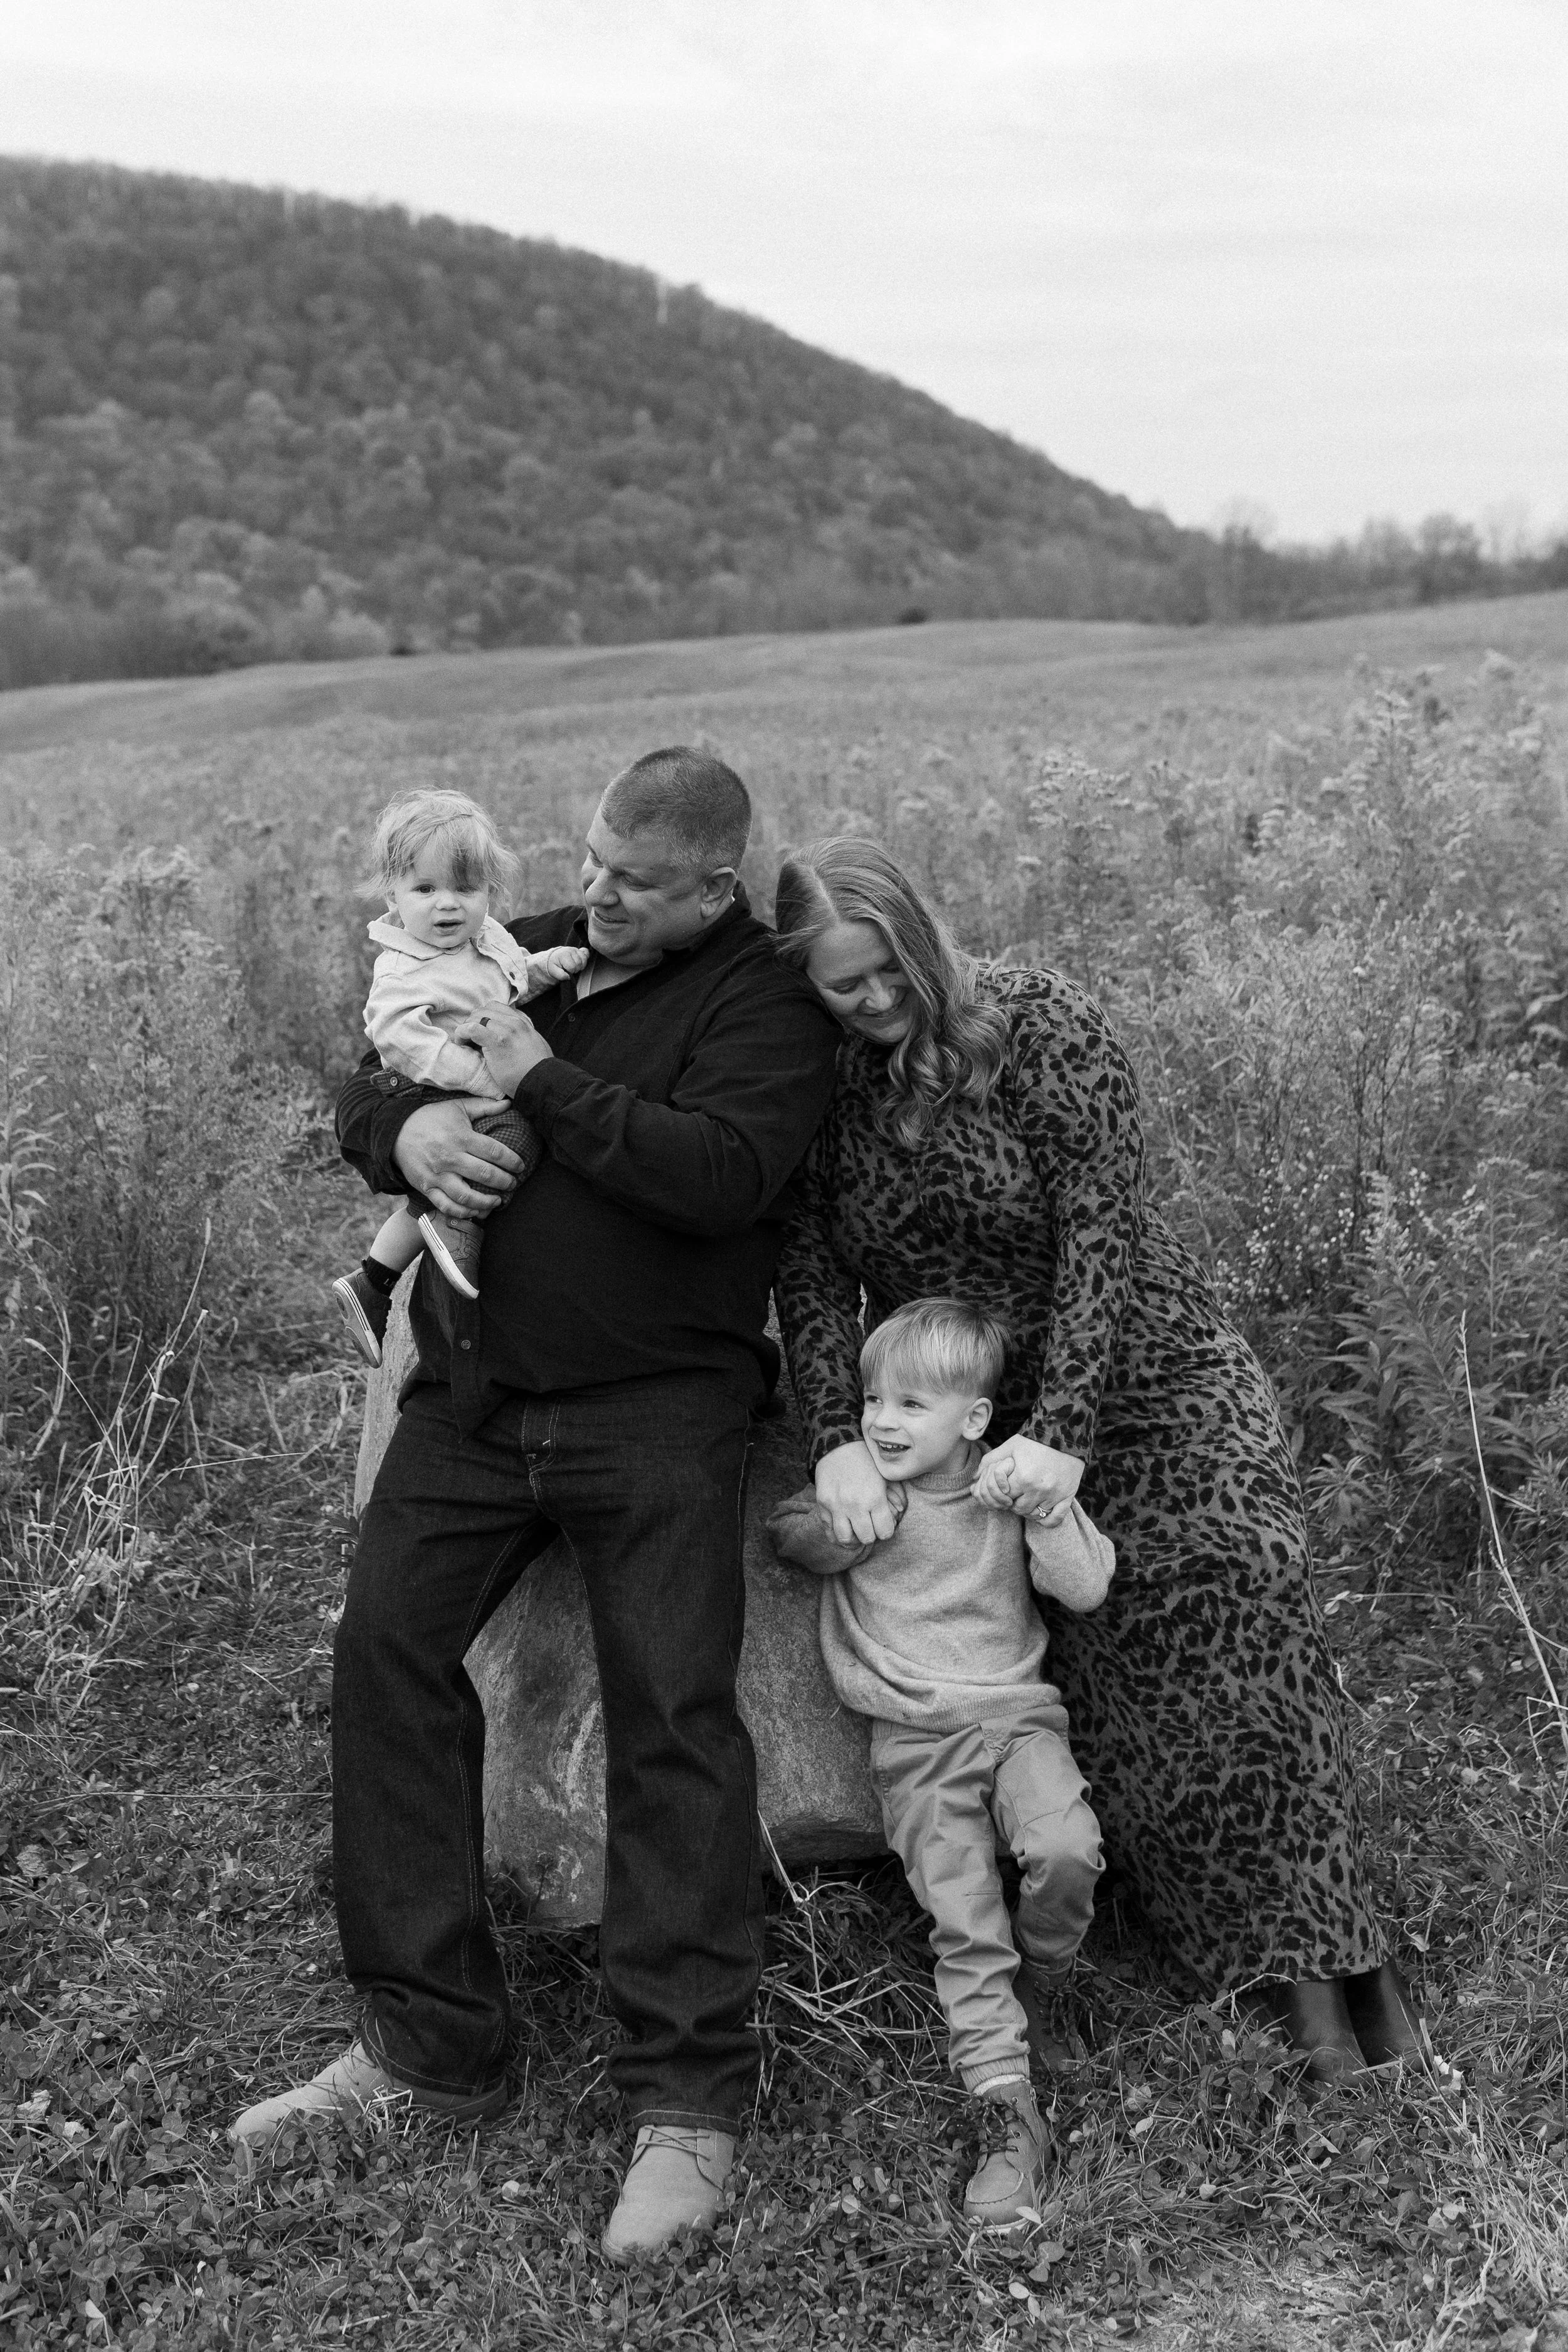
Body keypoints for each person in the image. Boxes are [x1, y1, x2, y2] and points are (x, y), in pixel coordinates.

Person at [230, 748, 842, 2263]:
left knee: (675, 1718)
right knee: (385, 1655)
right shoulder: (546, 948)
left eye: (638, 882)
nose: (602, 896)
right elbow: (378, 1066)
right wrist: (406, 1136)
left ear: (717, 882)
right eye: (593, 863)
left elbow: (719, 1172)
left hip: (653, 1409)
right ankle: (433, 2044)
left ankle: (687, 2098)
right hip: (474, 1396)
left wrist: (535, 1078)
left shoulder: (763, 1004)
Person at [770, 837, 1421, 2079]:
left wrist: (1067, 1430)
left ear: (920, 932)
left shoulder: (1035, 1020)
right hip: (977, 1433)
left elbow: (1098, 1226)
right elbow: (804, 1274)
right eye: (838, 987)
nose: (869, 1002)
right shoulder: (824, 1093)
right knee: (1126, 1682)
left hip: (1152, 1377)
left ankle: (1350, 1959)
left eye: (884, 972)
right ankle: (1268, 1959)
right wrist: (835, 1440)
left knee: (1238, 1608)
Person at [769, 1297, 1113, 2226]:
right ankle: (1008, 2112)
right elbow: (786, 1538)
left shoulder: (1006, 1493)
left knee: (1068, 1849)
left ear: (975, 1419)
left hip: (1020, 1724)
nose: (881, 1419)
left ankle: (1047, 1979)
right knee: (966, 1921)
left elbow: (1085, 1585)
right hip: (917, 1747)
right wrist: (846, 1517)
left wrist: (1048, 1503)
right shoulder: (866, 1496)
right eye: (874, 1397)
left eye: (912, 1404)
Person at [330, 789, 588, 1364]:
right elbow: (399, 1039)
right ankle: (455, 1230)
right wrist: (484, 1082)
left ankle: (373, 1280)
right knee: (515, 1137)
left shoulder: (481, 940)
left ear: (490, 890)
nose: (447, 906)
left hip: (462, 1078)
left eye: (466, 889)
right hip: (427, 1080)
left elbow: (510, 980)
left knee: (439, 1183)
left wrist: (548, 966)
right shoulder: (405, 968)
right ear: (392, 892)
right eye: (426, 890)